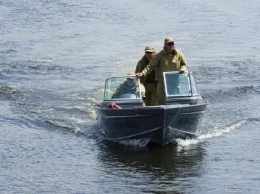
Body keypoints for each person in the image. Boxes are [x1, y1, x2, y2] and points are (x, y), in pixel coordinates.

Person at [136, 37, 187, 105]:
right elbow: (150, 66)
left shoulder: (179, 54)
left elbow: (184, 64)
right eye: (169, 44)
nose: (171, 46)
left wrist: (183, 68)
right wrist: (143, 73)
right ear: (165, 45)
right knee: (161, 102)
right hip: (162, 83)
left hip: (174, 82)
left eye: (172, 44)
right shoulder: (159, 55)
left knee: (176, 100)